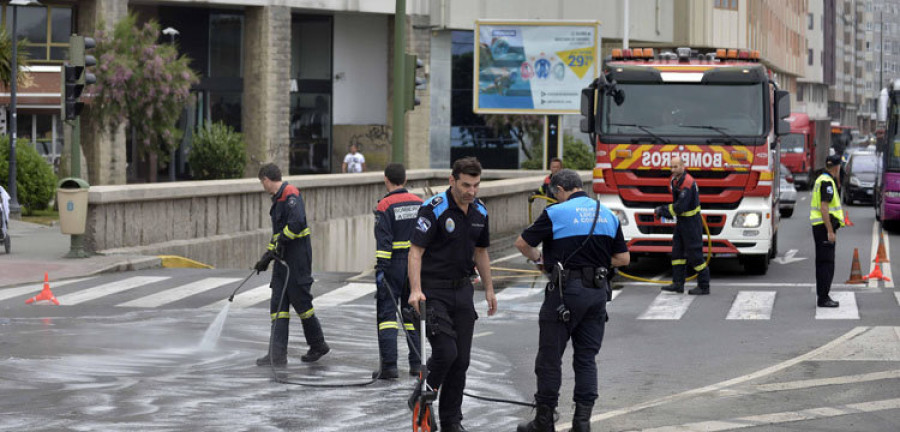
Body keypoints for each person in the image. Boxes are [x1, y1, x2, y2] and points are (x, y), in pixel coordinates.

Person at [514, 169, 630, 432]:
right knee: (586, 358)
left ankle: (544, 421)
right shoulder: (608, 214)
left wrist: (540, 260)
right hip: (597, 293)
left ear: (559, 190)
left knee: (550, 358)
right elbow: (623, 259)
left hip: (565, 293)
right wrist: (595, 263)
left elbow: (522, 243)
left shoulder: (556, 213)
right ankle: (582, 423)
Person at [407, 157, 498, 432]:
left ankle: (451, 422)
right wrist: (415, 290)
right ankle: (421, 397)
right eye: (466, 185)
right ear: (452, 181)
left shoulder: (480, 212)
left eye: (476, 186)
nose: (471, 191)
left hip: (463, 291)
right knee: (446, 352)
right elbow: (415, 252)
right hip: (433, 291)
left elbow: (481, 252)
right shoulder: (433, 210)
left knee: (462, 361)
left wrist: (490, 288)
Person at [254, 163, 330, 367]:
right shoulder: (279, 198)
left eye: (262, 182)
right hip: (283, 262)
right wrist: (267, 256)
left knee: (302, 305)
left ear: (267, 180)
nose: (263, 186)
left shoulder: (290, 195)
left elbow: (296, 224)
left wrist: (278, 245)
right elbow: (278, 233)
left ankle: (318, 344)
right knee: (278, 307)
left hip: (296, 261)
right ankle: (276, 354)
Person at [372, 163, 423, 379]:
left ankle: (390, 367)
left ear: (386, 179)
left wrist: (380, 272)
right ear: (404, 179)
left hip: (393, 265)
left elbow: (383, 243)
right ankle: (416, 365)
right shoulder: (420, 203)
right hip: (415, 265)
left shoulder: (384, 206)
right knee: (412, 312)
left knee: (387, 316)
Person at [655, 155, 710, 295]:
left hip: (691, 222)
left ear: (682, 166)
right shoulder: (675, 181)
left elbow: (680, 207)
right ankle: (678, 283)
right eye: (671, 167)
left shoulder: (687, 183)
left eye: (676, 166)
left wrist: (662, 210)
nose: (673, 169)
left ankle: (704, 285)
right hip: (682, 222)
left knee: (695, 253)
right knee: (677, 252)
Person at [810, 155, 844, 308]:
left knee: (822, 263)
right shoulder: (827, 182)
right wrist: (830, 231)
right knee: (827, 264)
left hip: (819, 226)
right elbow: (824, 207)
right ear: (836, 167)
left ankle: (822, 296)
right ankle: (823, 298)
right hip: (824, 227)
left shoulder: (821, 179)